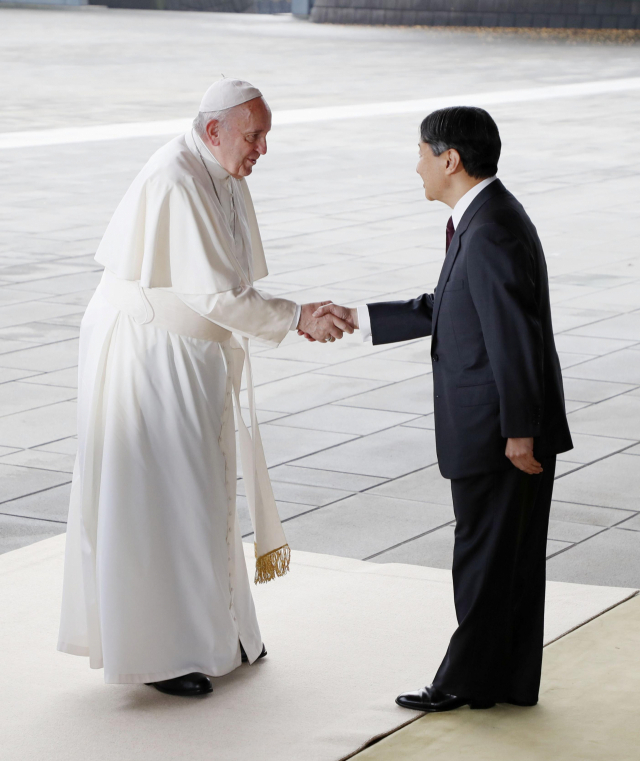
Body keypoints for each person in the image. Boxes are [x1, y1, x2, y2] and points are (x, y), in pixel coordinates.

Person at [58, 79, 350, 697]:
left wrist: (294, 312)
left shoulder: (218, 167)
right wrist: (296, 316)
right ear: (214, 130)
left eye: (266, 134)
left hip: (188, 352)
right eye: (254, 135)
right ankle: (160, 655)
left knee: (201, 492)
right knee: (163, 500)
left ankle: (222, 634)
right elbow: (213, 293)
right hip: (148, 355)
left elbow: (226, 278)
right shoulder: (178, 178)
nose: (263, 148)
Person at [312, 106, 573, 711]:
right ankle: (504, 682)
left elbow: (512, 335)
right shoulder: (484, 217)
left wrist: (518, 433)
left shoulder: (489, 228)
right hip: (504, 428)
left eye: (423, 154)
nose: (419, 167)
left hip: (497, 434)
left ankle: (460, 681)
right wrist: (360, 316)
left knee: (483, 560)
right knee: (506, 560)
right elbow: (450, 305)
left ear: (449, 159)